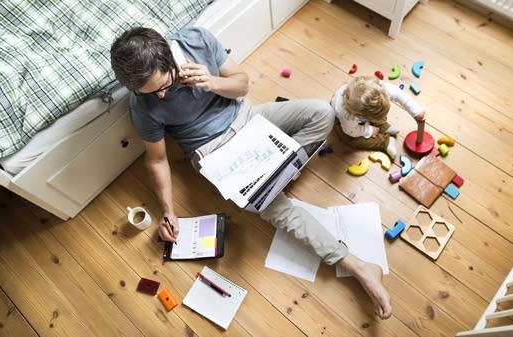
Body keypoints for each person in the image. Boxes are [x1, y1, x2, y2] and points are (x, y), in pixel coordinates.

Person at [110, 26, 392, 319]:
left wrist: (212, 82)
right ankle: (355, 264)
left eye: (163, 85)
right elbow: (156, 160)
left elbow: (242, 85)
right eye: (151, 93)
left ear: (169, 58)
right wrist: (168, 210)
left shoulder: (195, 40)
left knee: (322, 113)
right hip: (213, 151)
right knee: (270, 204)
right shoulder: (142, 104)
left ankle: (272, 175)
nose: (161, 95)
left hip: (248, 117)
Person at [331, 75, 425, 159]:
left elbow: (399, 93)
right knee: (349, 139)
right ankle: (384, 142)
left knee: (378, 112)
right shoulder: (348, 116)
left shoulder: (379, 90)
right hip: (346, 124)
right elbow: (351, 131)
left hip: (364, 113)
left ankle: (383, 125)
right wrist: (369, 130)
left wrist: (416, 111)